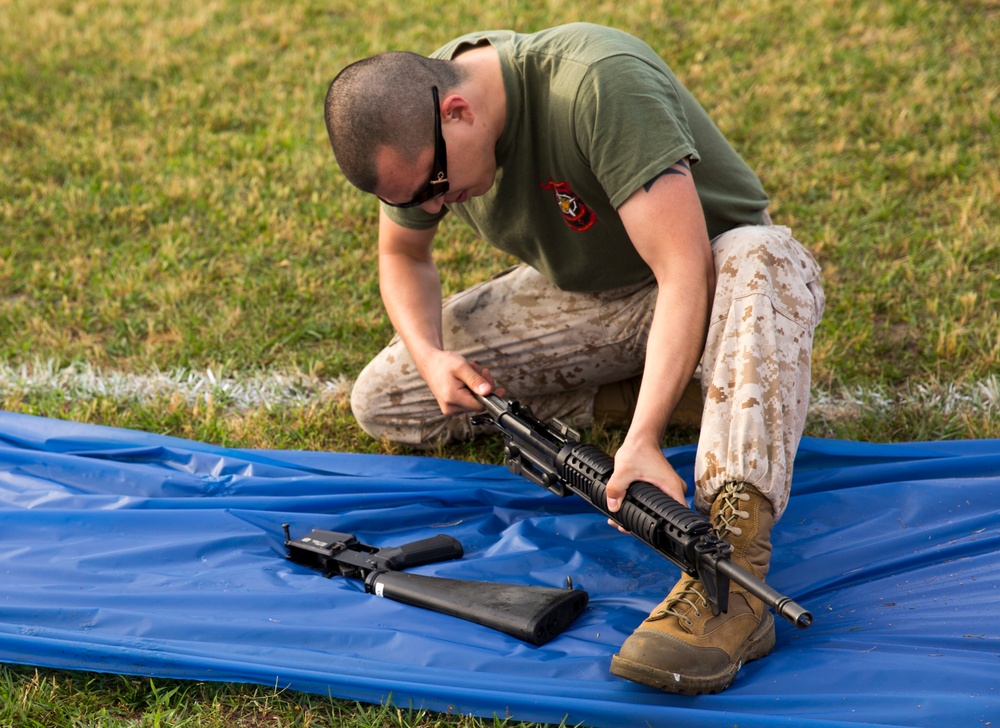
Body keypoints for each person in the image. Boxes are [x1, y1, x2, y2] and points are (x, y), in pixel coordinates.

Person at [323, 22, 824, 695]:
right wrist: (433, 356)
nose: (435, 207)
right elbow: (401, 255)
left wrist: (642, 443)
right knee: (390, 394)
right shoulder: (416, 122)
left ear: (458, 111)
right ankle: (684, 391)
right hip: (602, 298)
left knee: (768, 257)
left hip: (717, 277)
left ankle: (733, 582)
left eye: (434, 187)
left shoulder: (595, 83)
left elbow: (682, 271)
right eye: (413, 200)